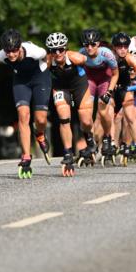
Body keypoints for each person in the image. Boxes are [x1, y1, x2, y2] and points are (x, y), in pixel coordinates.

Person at [0, 28, 51, 179]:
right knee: (23, 115)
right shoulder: (1, 56)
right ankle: (26, 156)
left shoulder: (35, 51)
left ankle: (39, 134)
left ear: (20, 47)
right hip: (21, 81)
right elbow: (7, 59)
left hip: (40, 77)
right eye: (8, 51)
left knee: (40, 119)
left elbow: (47, 58)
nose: (11, 54)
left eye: (14, 50)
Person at [44, 32, 95, 174]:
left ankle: (90, 141)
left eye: (61, 49)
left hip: (79, 85)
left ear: (66, 49)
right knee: (64, 118)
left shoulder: (76, 58)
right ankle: (68, 153)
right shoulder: (48, 62)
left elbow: (95, 63)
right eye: (54, 50)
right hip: (60, 87)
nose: (58, 53)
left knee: (85, 119)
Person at [79, 28, 118, 163]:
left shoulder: (107, 54)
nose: (89, 48)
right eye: (86, 44)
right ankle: (90, 142)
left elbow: (115, 74)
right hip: (90, 80)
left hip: (104, 80)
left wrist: (109, 91)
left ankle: (107, 138)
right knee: (85, 113)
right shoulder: (81, 53)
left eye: (93, 44)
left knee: (102, 110)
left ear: (99, 44)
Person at [110, 32, 136, 165]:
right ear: (114, 47)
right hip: (111, 87)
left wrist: (128, 89)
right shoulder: (109, 58)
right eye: (119, 46)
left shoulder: (131, 59)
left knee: (130, 117)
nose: (123, 49)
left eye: (125, 46)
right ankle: (110, 144)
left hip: (125, 88)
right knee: (107, 116)